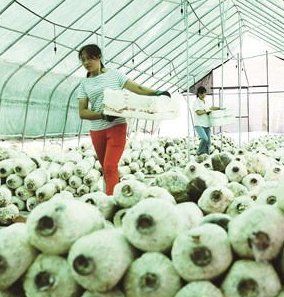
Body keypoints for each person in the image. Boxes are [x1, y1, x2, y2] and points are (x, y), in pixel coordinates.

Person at [77, 44, 169, 195]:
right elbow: (82, 112)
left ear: (99, 57)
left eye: (89, 58)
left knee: (109, 166)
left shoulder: (115, 75)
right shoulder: (84, 84)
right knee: (106, 168)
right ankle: (116, 196)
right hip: (97, 130)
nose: (86, 63)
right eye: (83, 60)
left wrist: (156, 92)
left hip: (117, 127)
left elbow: (137, 88)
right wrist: (102, 115)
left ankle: (111, 201)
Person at [191, 86, 219, 156]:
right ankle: (199, 153)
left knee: (208, 142)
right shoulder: (196, 102)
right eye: (201, 94)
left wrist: (219, 108)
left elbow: (210, 108)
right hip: (199, 124)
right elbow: (198, 112)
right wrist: (206, 111)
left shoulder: (206, 101)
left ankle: (206, 155)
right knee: (204, 138)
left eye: (204, 93)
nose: (203, 95)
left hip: (206, 124)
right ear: (198, 94)